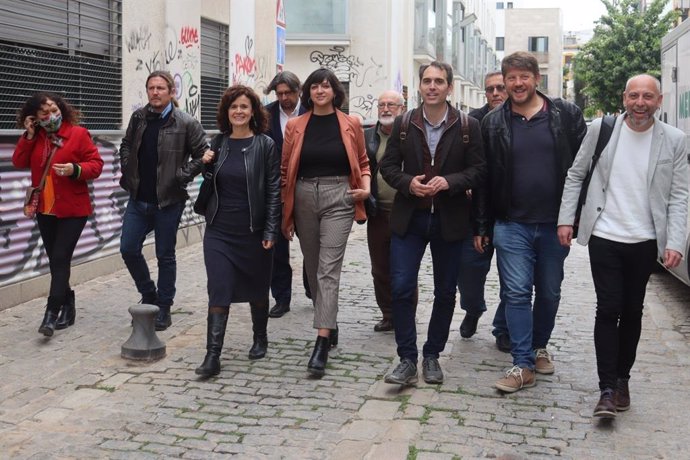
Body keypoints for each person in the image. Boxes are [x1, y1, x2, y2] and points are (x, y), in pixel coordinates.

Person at [557, 74, 688, 418]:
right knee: (608, 308)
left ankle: (622, 378)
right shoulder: (602, 129)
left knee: (632, 311)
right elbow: (575, 174)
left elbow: (679, 195)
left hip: (645, 241)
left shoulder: (674, 140)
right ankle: (606, 389)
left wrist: (675, 241)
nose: (640, 103)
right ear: (624, 97)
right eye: (634, 96)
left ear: (659, 101)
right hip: (605, 236)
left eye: (648, 96)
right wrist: (566, 219)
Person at [475, 51, 587, 393]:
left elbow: (584, 170)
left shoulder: (565, 115)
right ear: (505, 81)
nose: (517, 83)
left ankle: (539, 347)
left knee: (550, 291)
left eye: (524, 77)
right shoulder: (492, 123)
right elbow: (484, 179)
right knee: (516, 292)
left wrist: (577, 216)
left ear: (536, 79)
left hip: (556, 225)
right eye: (511, 78)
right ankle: (522, 363)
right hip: (511, 224)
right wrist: (482, 225)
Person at [380, 61, 486, 385]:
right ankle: (407, 358)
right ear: (420, 86)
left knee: (444, 291)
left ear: (449, 87)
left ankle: (432, 355)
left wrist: (450, 182)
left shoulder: (467, 125)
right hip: (409, 218)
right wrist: (409, 182)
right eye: (427, 80)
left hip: (450, 220)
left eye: (439, 81)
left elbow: (479, 171)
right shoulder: (404, 122)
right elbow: (387, 166)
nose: (432, 86)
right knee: (400, 286)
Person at [281, 67, 371, 377]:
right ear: (308, 92)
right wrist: (287, 212)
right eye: (315, 86)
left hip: (340, 196)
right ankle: (329, 321)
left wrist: (367, 186)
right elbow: (284, 172)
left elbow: (362, 162)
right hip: (304, 195)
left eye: (326, 86)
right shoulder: (295, 126)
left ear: (335, 91)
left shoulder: (351, 123)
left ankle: (320, 341)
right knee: (312, 266)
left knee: (328, 270)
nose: (320, 91)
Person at [192, 85, 281, 377]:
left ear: (253, 111)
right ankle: (212, 356)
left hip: (253, 230)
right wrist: (203, 165)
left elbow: (272, 190)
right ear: (226, 113)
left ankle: (260, 337)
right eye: (233, 107)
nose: (239, 112)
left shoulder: (265, 145)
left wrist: (270, 230)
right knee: (219, 287)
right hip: (219, 230)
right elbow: (208, 180)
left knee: (257, 288)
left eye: (244, 106)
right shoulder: (218, 144)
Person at [119, 70, 211, 331]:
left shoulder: (185, 122)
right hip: (138, 199)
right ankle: (149, 294)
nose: (155, 92)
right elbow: (126, 144)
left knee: (165, 255)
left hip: (169, 200)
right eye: (151, 88)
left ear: (172, 92)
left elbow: (204, 155)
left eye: (161, 88)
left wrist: (181, 175)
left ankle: (165, 306)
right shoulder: (139, 117)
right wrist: (127, 165)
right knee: (128, 248)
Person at [12, 92, 103, 337]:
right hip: (45, 209)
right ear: (35, 118)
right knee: (56, 259)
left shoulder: (77, 133)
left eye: (53, 109)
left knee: (61, 256)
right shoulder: (36, 137)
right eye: (44, 113)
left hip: (73, 209)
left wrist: (75, 169)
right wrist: (29, 135)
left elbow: (96, 165)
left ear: (60, 108)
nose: (51, 115)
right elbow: (19, 162)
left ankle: (51, 312)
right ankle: (69, 302)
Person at [458, 71, 509, 349]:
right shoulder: (470, 122)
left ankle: (503, 327)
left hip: (510, 213)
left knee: (512, 277)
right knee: (468, 270)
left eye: (500, 88)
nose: (496, 93)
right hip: (474, 212)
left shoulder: (519, 121)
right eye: (490, 89)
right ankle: (473, 307)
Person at [364, 90, 419, 333]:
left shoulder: (414, 135)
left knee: (405, 269)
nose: (385, 109)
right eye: (381, 105)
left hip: (406, 212)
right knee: (380, 269)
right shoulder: (367, 137)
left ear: (402, 108)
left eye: (391, 105)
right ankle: (388, 314)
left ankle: (406, 314)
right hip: (378, 213)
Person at [263, 71, 308, 319]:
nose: (284, 98)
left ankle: (312, 285)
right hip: (275, 190)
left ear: (298, 90)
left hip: (305, 188)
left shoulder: (311, 111)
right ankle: (282, 297)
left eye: (288, 93)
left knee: (311, 243)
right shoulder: (266, 115)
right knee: (277, 247)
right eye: (279, 94)